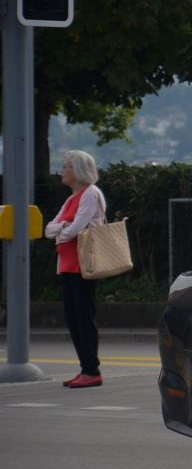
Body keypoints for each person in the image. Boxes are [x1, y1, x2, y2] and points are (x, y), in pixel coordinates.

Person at [45, 150, 106, 389]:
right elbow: (49, 229)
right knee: (73, 319)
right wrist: (63, 227)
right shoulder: (71, 198)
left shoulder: (90, 194)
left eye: (67, 167)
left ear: (79, 170)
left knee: (84, 318)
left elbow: (76, 229)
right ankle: (86, 369)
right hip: (69, 266)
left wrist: (63, 229)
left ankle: (92, 371)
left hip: (84, 265)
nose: (62, 171)